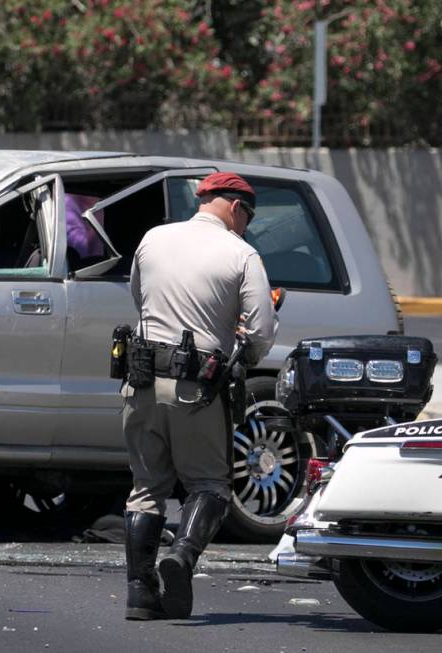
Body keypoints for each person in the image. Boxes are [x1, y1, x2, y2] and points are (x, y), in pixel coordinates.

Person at [121, 171, 277, 620]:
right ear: (233, 206)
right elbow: (261, 333)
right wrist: (238, 339)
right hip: (196, 388)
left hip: (142, 379)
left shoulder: (153, 238)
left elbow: (140, 298)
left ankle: (139, 593)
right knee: (209, 484)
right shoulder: (241, 253)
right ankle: (181, 556)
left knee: (146, 486)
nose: (246, 223)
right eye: (247, 214)